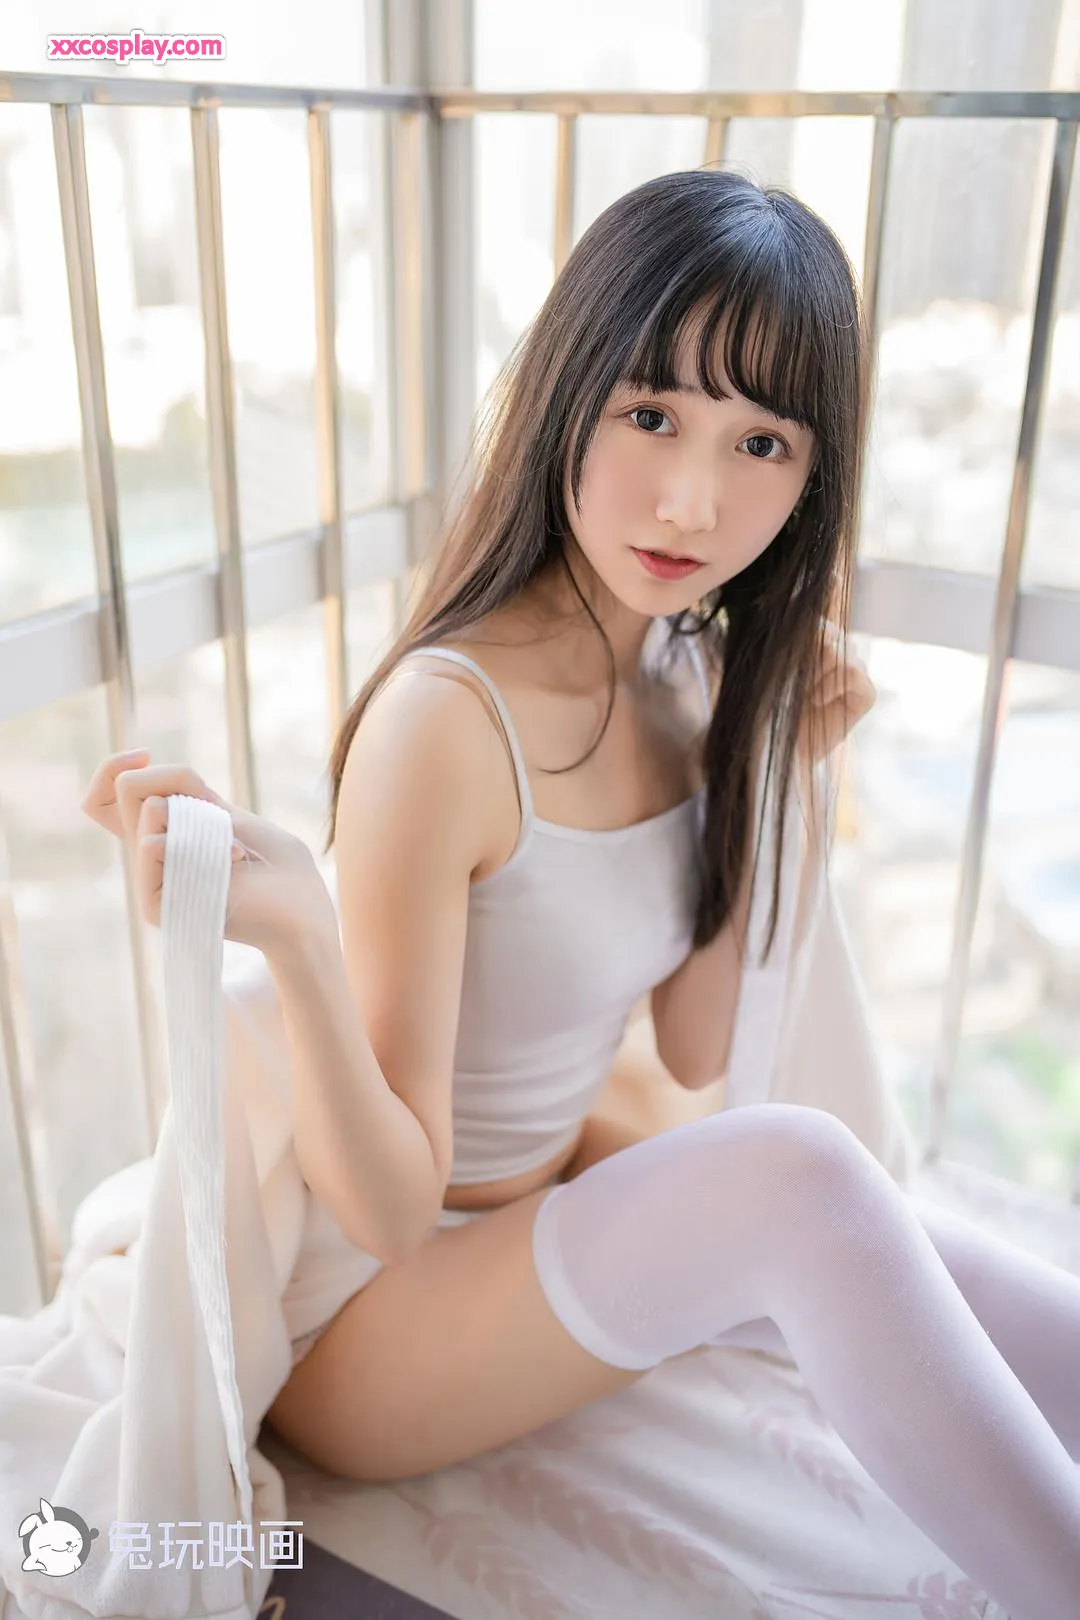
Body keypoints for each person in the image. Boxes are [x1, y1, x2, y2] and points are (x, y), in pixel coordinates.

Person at [83, 169, 1080, 1620]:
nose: (693, 499)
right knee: (803, 1180)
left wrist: (776, 780)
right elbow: (391, 1201)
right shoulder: (448, 724)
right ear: (570, 393)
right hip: (379, 1317)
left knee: (887, 1224)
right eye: (651, 414)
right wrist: (298, 938)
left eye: (761, 442)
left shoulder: (687, 670)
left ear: (813, 474)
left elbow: (693, 1040)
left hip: (539, 1207)